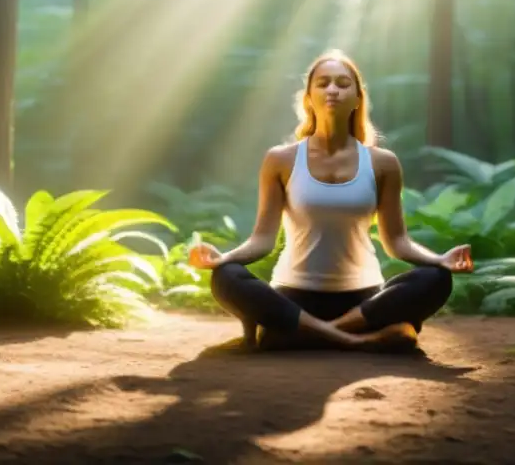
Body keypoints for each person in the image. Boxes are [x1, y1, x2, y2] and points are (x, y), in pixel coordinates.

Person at [188, 49, 474, 352]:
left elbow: (398, 241)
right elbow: (262, 239)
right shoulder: (280, 160)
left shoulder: (383, 163)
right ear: (309, 97)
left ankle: (302, 334)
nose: (333, 90)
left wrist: (439, 260)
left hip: (363, 298)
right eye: (323, 83)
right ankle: (355, 339)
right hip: (294, 295)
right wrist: (224, 259)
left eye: (342, 83)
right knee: (226, 276)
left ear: (358, 97)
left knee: (436, 279)